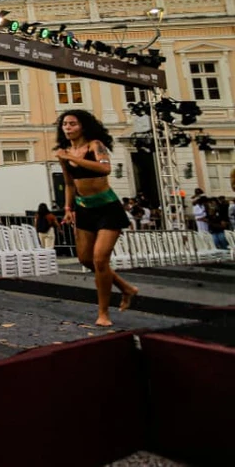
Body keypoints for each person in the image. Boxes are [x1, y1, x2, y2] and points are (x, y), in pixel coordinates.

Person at [56, 109, 138, 327]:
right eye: (65, 124)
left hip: (107, 207)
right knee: (85, 259)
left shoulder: (95, 145)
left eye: (72, 123)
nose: (68, 128)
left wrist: (72, 158)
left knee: (100, 260)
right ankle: (125, 287)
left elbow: (105, 168)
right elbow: (70, 183)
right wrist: (67, 207)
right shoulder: (64, 152)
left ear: (83, 126)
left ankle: (103, 313)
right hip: (84, 209)